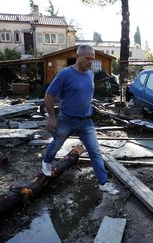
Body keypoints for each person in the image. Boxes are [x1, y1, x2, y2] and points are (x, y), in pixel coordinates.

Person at [42, 45, 119, 195]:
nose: (91, 62)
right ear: (78, 57)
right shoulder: (65, 74)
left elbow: (86, 94)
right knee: (56, 144)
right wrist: (52, 118)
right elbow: (48, 95)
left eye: (93, 59)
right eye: (87, 58)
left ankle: (103, 183)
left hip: (85, 121)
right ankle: (46, 162)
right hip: (66, 119)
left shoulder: (90, 74)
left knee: (95, 151)